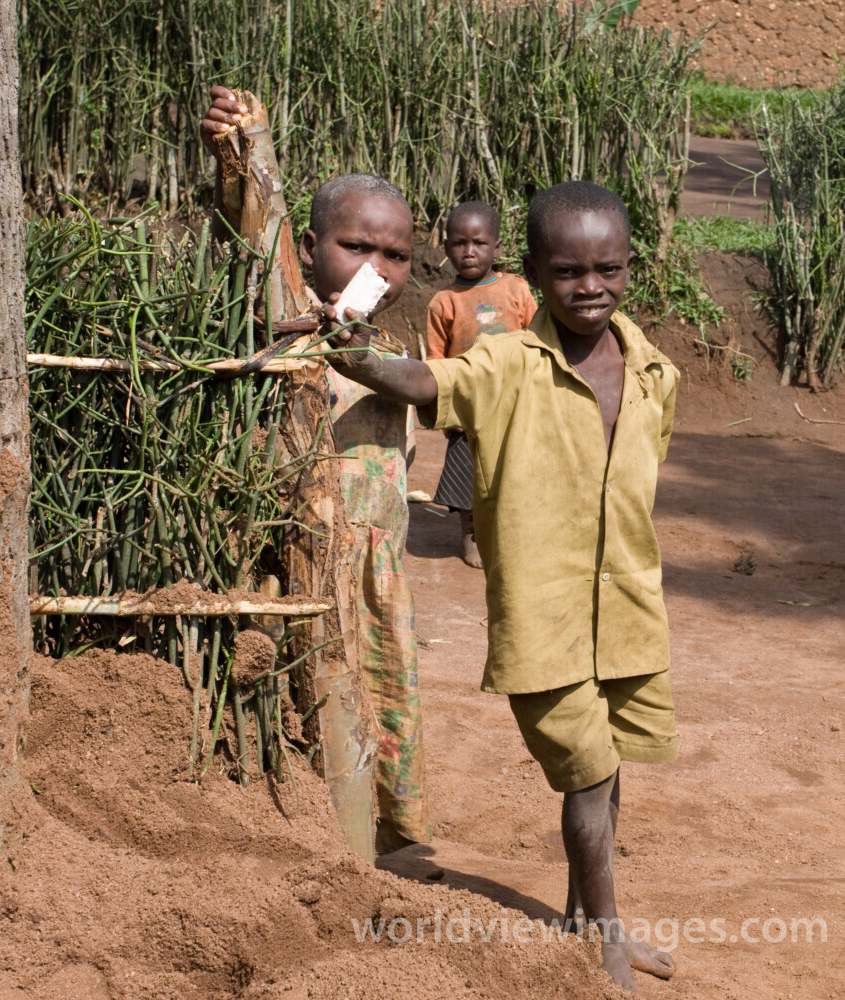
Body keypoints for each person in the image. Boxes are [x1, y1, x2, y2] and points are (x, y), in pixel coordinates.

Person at [321, 180, 679, 991]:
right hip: (543, 615)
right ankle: (607, 940)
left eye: (608, 269)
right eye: (568, 271)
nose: (590, 287)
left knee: (609, 765)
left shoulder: (655, 372)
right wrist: (356, 355)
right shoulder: (507, 362)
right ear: (534, 275)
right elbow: (429, 383)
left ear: (630, 267)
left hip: (626, 607)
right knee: (586, 773)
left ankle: (584, 921)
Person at [200, 86, 430, 853]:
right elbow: (248, 246)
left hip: (371, 574)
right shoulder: (274, 330)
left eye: (396, 255)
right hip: (292, 566)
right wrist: (237, 161)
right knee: (292, 703)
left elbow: (421, 397)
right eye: (356, 248)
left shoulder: (392, 355)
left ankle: (373, 845)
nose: (378, 268)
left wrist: (352, 345)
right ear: (307, 248)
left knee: (373, 704)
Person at [425, 201, 537, 568]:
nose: (469, 251)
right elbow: (437, 360)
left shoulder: (516, 289)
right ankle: (471, 534)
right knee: (467, 474)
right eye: (459, 243)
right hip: (469, 406)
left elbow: (537, 339)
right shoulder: (443, 302)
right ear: (446, 247)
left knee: (516, 470)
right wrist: (448, 407)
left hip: (516, 401)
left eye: (479, 243)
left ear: (497, 247)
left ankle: (511, 535)